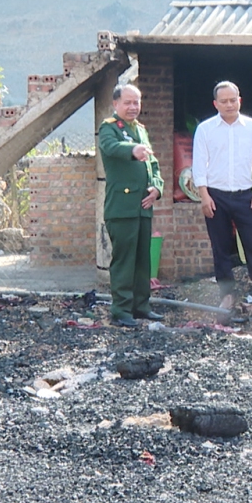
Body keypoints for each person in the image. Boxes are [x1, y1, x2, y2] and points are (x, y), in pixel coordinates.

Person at [192, 81, 252, 311]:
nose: (229, 104)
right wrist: (204, 196)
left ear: (239, 100)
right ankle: (227, 295)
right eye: (224, 101)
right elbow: (199, 166)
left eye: (233, 100)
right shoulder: (205, 129)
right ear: (215, 104)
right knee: (220, 247)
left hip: (245, 195)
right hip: (216, 196)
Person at [98, 83, 164, 328]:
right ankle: (121, 311)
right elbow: (110, 147)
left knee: (142, 260)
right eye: (127, 102)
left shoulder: (141, 130)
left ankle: (141, 306)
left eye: (136, 102)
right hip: (122, 207)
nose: (133, 107)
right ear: (115, 104)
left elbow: (153, 164)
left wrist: (158, 188)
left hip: (143, 207)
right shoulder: (109, 128)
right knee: (125, 261)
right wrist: (132, 149)